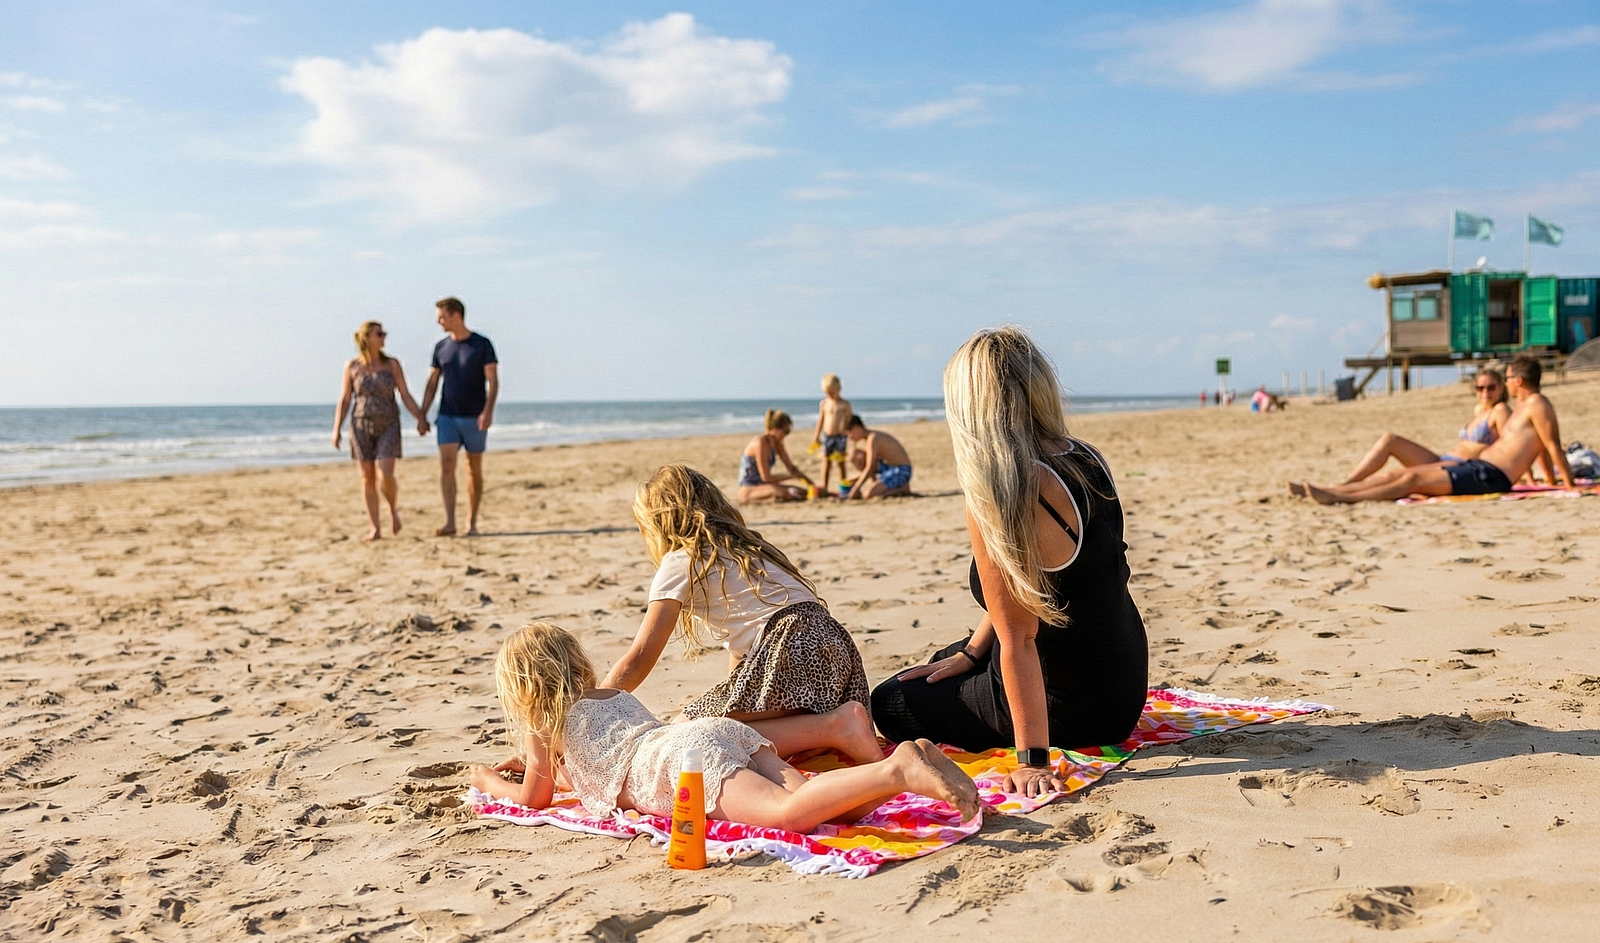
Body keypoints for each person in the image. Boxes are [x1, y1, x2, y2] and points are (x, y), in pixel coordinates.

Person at [870, 328, 1149, 799]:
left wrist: (1032, 760)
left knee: (892, 701)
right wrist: (972, 653)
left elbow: (1019, 637)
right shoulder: (1084, 456)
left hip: (1076, 706)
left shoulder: (1006, 492)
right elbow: (1027, 592)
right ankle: (972, 661)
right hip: (1123, 683)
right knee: (944, 663)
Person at [468, 622, 980, 829]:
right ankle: (901, 768)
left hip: (679, 763)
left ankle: (901, 770)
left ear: (524, 691)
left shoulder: (547, 720)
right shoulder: (611, 695)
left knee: (787, 815)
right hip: (704, 734)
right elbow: (596, 765)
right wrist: (553, 769)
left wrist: (486, 779)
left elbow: (534, 798)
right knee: (828, 808)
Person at [603, 464, 881, 764]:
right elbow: (744, 653)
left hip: (789, 649)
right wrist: (731, 698)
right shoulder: (751, 550)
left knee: (687, 738)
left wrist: (595, 706)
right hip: (833, 650)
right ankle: (828, 728)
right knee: (733, 731)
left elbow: (641, 654)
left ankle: (836, 727)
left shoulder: (681, 560)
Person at [1295, 356, 1572, 504]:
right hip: (1479, 469)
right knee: (1400, 474)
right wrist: (1547, 480)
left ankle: (1338, 497)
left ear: (1519, 380)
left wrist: (1569, 486)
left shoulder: (1536, 404)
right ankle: (1336, 490)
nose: (1506, 384)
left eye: (1508, 378)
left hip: (1489, 476)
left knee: (1409, 481)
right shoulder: (1527, 407)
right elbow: (1538, 448)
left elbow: (1551, 446)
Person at [331, 321, 428, 541]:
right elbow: (345, 399)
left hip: (389, 423)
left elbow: (404, 394)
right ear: (367, 338)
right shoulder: (352, 366)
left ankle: (392, 510)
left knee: (386, 474)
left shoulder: (392, 364)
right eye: (379, 333)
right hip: (361, 424)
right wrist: (336, 429)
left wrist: (419, 417)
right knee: (367, 478)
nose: (384, 336)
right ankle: (375, 527)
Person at [1336, 367, 1512, 486]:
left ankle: (1345, 489)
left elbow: (1511, 447)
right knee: (1390, 439)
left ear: (1501, 389)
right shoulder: (1479, 410)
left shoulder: (1500, 410)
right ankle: (1350, 482)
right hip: (1444, 459)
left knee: (1398, 476)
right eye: (1480, 388)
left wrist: (1523, 476)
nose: (1485, 393)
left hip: (1461, 467)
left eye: (1491, 388)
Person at [418, 297, 498, 536]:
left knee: (473, 468)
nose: (439, 322)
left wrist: (488, 411)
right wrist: (422, 413)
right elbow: (432, 383)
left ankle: (471, 523)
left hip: (475, 417)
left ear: (456, 315)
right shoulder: (441, 347)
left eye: (442, 317)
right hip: (447, 416)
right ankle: (450, 521)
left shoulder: (481, 344)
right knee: (447, 465)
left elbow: (492, 381)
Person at [738, 410, 814, 503]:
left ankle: (772, 498)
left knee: (802, 492)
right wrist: (791, 476)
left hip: (764, 485)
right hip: (749, 488)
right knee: (788, 493)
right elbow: (766, 477)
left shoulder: (777, 443)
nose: (786, 435)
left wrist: (812, 485)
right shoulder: (760, 443)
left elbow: (791, 467)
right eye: (785, 431)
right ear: (774, 428)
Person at [841, 416, 913, 499]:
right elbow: (873, 464)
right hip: (888, 468)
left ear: (856, 428)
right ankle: (877, 484)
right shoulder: (868, 439)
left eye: (849, 433)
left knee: (868, 495)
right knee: (853, 454)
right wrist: (856, 479)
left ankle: (901, 489)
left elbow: (870, 466)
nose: (849, 438)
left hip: (900, 471)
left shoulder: (873, 438)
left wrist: (856, 488)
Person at [809, 374, 854, 494]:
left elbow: (850, 420)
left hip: (840, 436)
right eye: (827, 392)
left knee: (841, 462)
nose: (829, 395)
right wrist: (816, 436)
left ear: (838, 389)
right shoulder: (824, 404)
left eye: (831, 392)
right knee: (826, 461)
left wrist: (850, 434)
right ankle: (825, 486)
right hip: (827, 436)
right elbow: (821, 420)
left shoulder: (844, 404)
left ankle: (844, 486)